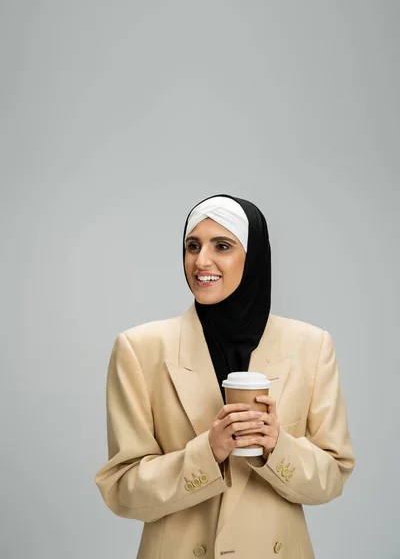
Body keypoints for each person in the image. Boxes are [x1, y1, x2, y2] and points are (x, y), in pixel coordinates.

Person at [94, 194, 355, 559]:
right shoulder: (139, 348)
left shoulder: (311, 347)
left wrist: (276, 446)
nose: (201, 261)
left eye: (222, 245)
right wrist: (207, 453)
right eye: (192, 245)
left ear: (254, 256)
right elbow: (121, 489)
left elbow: (332, 478)